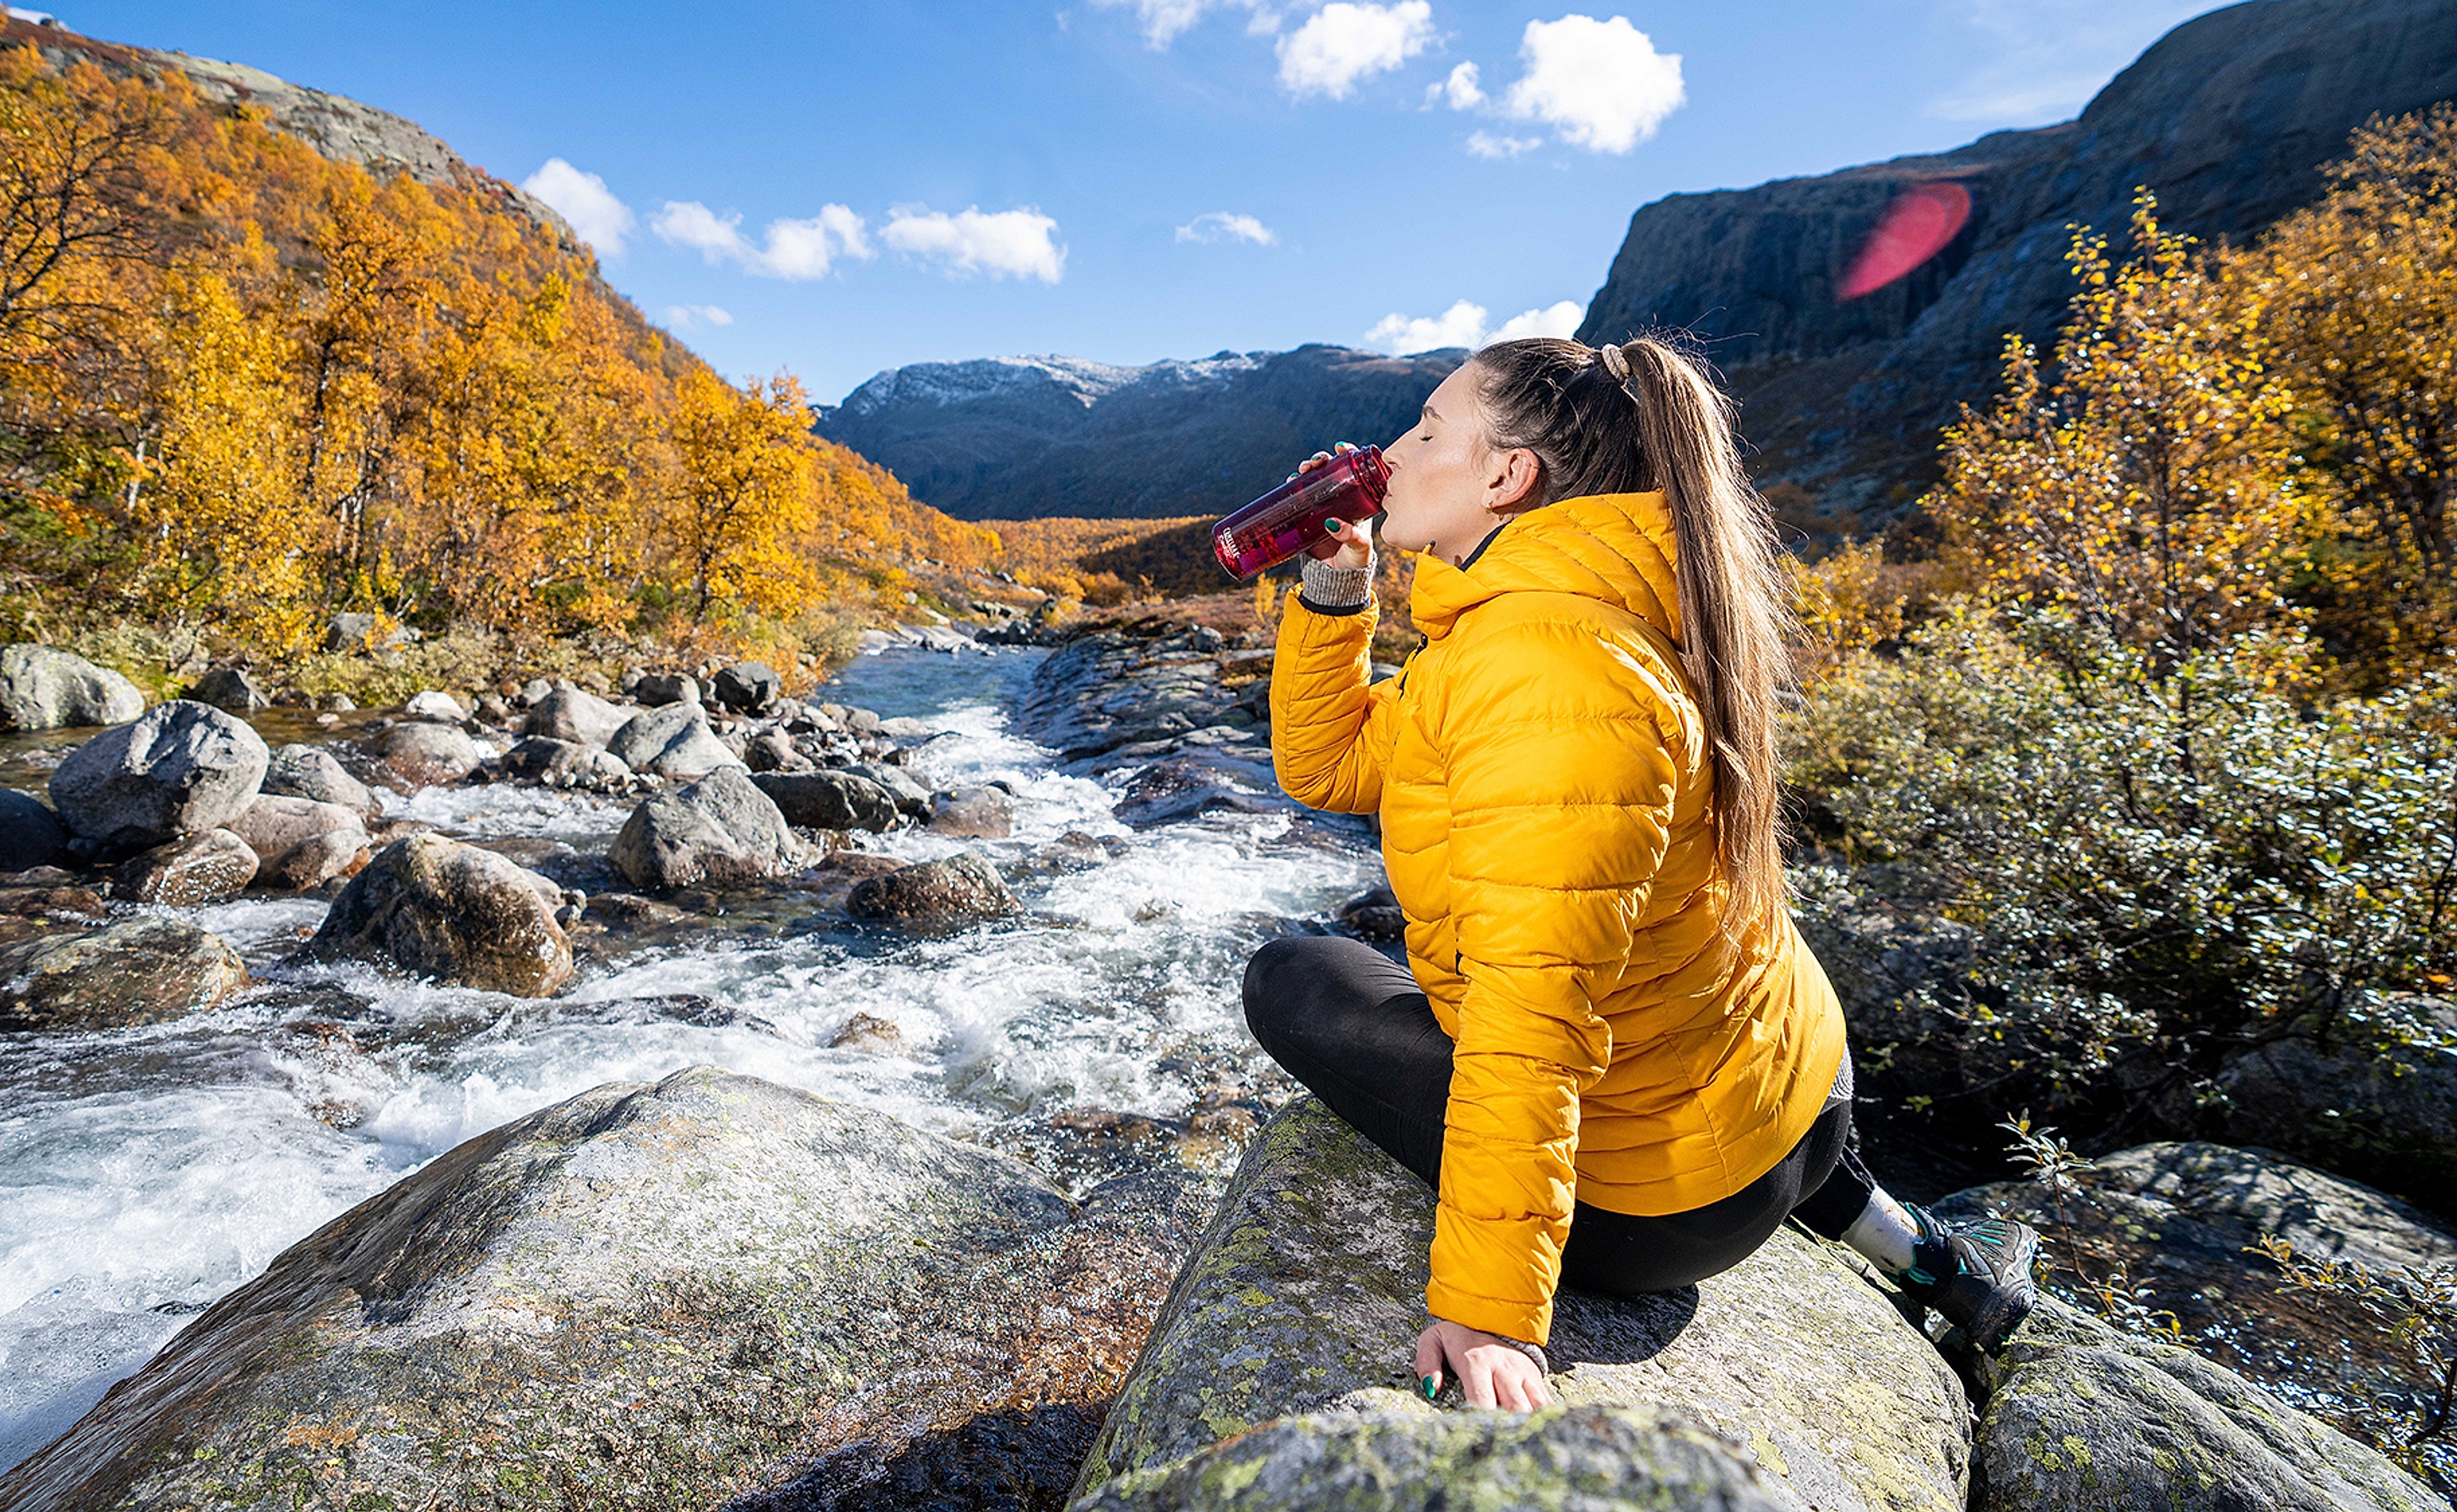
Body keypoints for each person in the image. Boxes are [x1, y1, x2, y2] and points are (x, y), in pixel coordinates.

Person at [1243, 336, 2039, 1413]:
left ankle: (1849, 1219)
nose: (1390, 452)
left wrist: (1491, 1311)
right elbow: (1334, 762)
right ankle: (1907, 1242)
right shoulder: (1568, 615)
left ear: (1505, 479)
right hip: (1806, 1093)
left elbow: (1533, 1016)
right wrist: (1338, 590)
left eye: (1429, 429)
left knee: (1297, 977)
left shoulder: (1545, 669)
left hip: (1670, 1216)